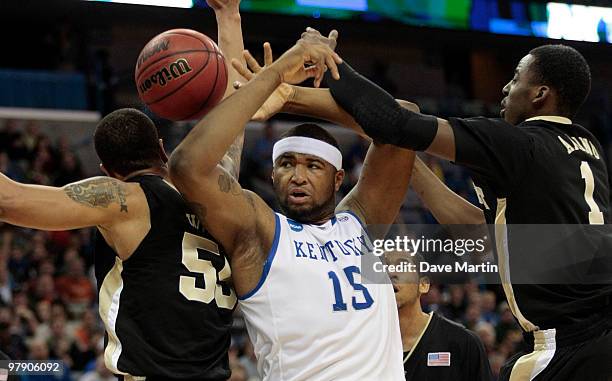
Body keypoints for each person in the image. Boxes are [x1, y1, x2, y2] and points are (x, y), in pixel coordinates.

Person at [319, 35, 612, 380]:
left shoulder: (516, 145)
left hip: (569, 343)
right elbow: (477, 230)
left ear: (540, 94)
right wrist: (404, 160)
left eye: (516, 77)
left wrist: (326, 66)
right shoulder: (586, 146)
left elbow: (395, 122)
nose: (505, 86)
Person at [0, 1, 246, 379]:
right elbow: (235, 111)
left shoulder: (124, 201)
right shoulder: (218, 186)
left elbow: (8, 201)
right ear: (162, 149)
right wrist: (229, 15)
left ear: (107, 172)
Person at [169, 32, 409, 380]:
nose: (297, 176)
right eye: (287, 164)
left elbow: (402, 119)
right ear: (272, 173)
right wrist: (275, 76)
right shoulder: (261, 231)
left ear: (338, 178)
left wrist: (293, 97)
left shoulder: (360, 222)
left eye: (313, 166)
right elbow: (187, 166)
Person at [386, 251, 492, 381]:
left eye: (402, 266)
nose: (391, 273)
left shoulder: (463, 342)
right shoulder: (363, 342)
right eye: (383, 268)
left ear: (423, 285)